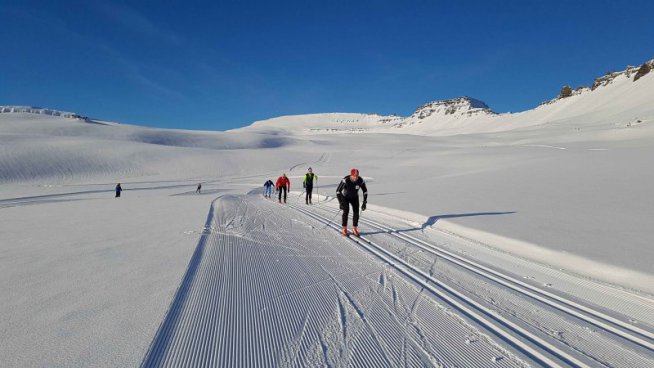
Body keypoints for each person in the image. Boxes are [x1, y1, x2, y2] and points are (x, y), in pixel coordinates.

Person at [336, 168, 368, 237]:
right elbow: (338, 191)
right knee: (346, 211)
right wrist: (340, 202)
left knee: (356, 212)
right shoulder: (346, 180)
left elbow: (365, 191)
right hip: (345, 197)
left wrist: (365, 202)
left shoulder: (360, 180)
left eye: (357, 175)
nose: (356, 177)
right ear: (351, 175)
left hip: (354, 197)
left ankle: (354, 228)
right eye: (354, 176)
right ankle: (344, 228)